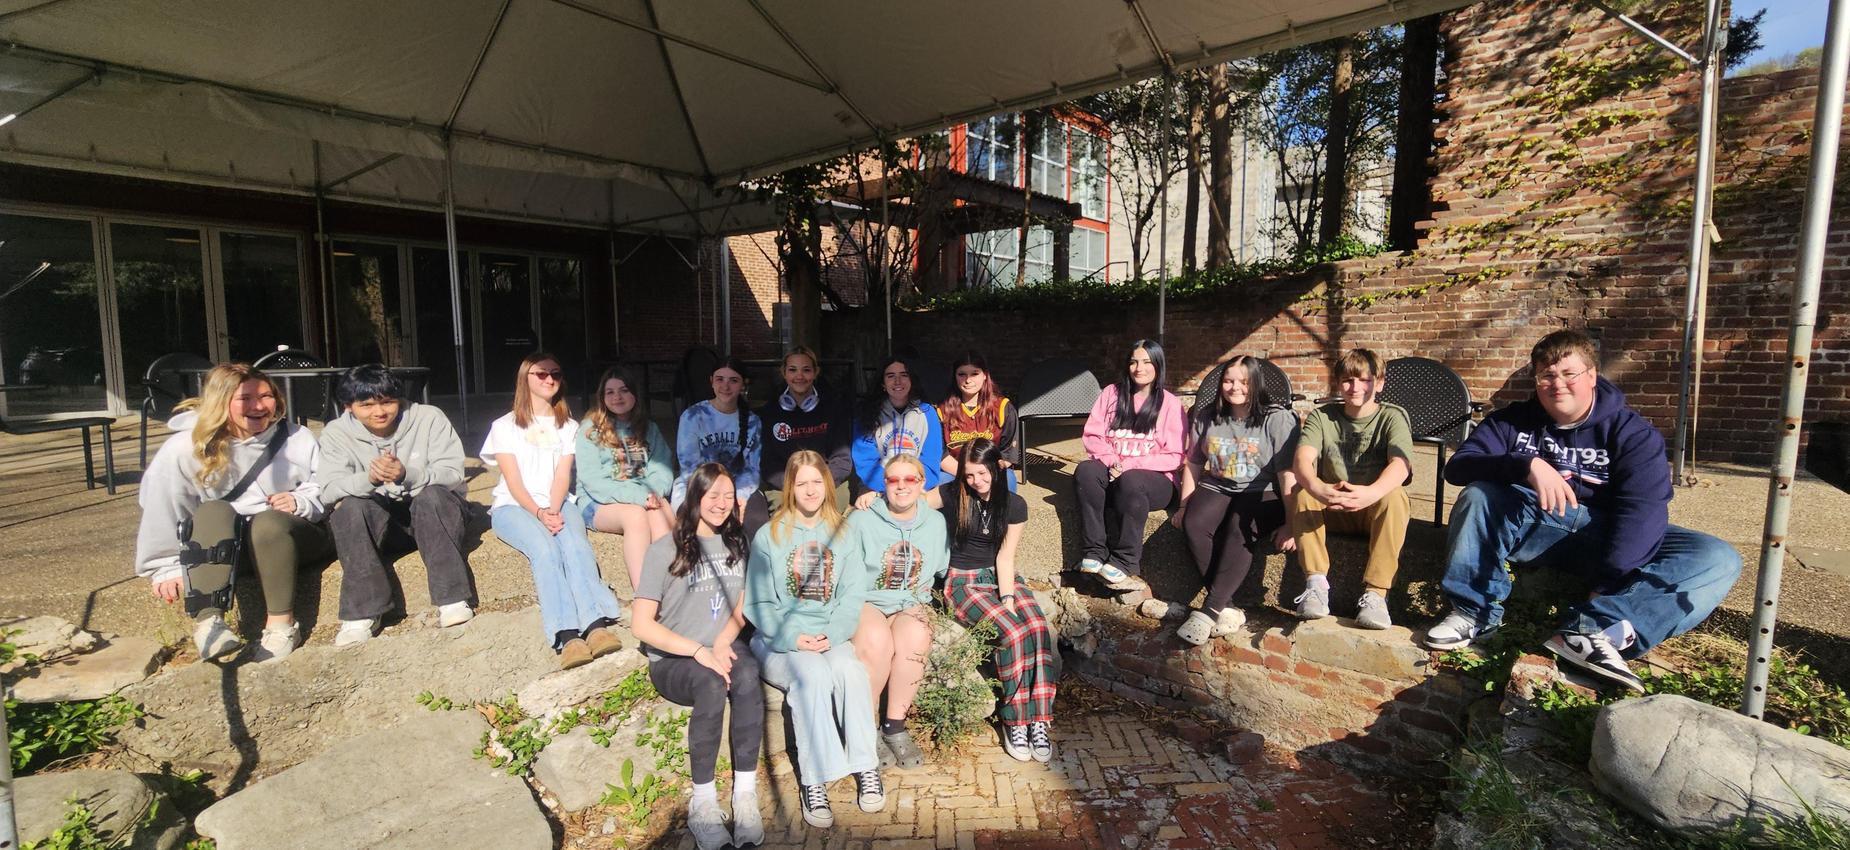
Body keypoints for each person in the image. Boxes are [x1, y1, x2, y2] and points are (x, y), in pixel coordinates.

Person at [1423, 330, 1742, 692]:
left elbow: (1641, 513)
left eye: (1569, 373)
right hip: (1538, 524)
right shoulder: (1511, 422)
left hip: (1605, 532)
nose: (1557, 384)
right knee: (1480, 495)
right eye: (1546, 375)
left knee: (1717, 557)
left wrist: (1606, 584)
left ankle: (1591, 632)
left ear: (1591, 376)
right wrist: (1525, 465)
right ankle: (1473, 612)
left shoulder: (1633, 434)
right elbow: (1459, 468)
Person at [135, 362, 328, 663]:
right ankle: (210, 623)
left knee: (268, 523)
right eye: (245, 398)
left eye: (266, 396)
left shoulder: (297, 437)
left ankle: (281, 626)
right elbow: (164, 505)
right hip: (228, 549)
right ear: (221, 402)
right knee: (213, 510)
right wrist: (165, 566)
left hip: (286, 538)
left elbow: (325, 485)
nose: (259, 406)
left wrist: (300, 501)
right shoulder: (184, 448)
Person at [744, 450, 883, 829]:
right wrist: (794, 637)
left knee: (850, 672)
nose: (810, 490)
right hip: (777, 638)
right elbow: (758, 603)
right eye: (802, 483)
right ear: (790, 487)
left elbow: (853, 595)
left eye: (816, 482)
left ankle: (865, 764)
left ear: (828, 484)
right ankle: (814, 778)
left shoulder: (844, 532)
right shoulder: (769, 535)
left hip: (829, 634)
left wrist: (833, 633)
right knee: (811, 676)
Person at [631, 463, 763, 850]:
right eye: (712, 495)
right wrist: (697, 650)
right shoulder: (665, 549)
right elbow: (641, 625)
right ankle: (703, 803)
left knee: (747, 675)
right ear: (695, 497)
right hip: (675, 656)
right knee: (710, 683)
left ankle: (745, 795)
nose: (721, 503)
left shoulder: (738, 543)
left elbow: (742, 605)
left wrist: (722, 642)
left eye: (728, 495)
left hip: (721, 644)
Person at [483, 352, 624, 670]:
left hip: (559, 502)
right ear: (525, 379)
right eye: (541, 374)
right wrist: (538, 512)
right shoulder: (504, 426)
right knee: (545, 550)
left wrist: (553, 507)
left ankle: (595, 625)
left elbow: (562, 475)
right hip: (514, 506)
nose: (550, 379)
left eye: (556, 374)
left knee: (575, 545)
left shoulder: (569, 426)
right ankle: (567, 635)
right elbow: (513, 480)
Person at [316, 364, 474, 647]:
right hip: (380, 521)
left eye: (387, 402)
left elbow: (452, 473)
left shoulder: (428, 418)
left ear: (399, 400)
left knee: (433, 496)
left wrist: (408, 474)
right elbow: (328, 490)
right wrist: (369, 479)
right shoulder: (336, 432)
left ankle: (451, 599)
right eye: (366, 405)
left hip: (435, 517)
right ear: (349, 406)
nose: (379, 412)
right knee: (350, 509)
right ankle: (363, 612)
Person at [939, 438, 1058, 762]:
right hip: (963, 581)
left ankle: (1039, 719)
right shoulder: (952, 494)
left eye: (982, 473)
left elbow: (1005, 557)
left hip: (999, 576)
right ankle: (1015, 720)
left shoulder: (1015, 504)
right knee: (1014, 633)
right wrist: (872, 495)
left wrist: (1007, 598)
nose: (976, 481)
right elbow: (912, 501)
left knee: (1037, 628)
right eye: (969, 474)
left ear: (995, 467)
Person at [1170, 356, 1300, 645]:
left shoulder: (1277, 419)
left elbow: (1287, 474)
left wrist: (1292, 524)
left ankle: (1209, 611)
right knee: (1194, 524)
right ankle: (1228, 607)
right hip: (1219, 485)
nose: (1235, 387)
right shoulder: (1207, 416)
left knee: (1237, 528)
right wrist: (1184, 505)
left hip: (1263, 490)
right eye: (1228, 381)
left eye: (1243, 381)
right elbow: (1194, 463)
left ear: (1256, 383)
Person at [1289, 348, 1413, 630]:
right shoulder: (1323, 416)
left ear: (1379, 383)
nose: (1355, 387)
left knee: (1396, 497)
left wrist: (1371, 493)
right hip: (1332, 505)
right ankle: (1316, 585)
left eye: (1365, 380)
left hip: (1371, 510)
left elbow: (1401, 464)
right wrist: (1318, 487)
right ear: (1338, 383)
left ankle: (1376, 594)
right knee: (1304, 492)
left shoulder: (1392, 416)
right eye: (1347, 380)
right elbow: (1302, 460)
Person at [846, 453, 949, 769]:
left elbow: (940, 568)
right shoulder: (862, 519)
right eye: (893, 479)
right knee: (876, 640)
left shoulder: (935, 522)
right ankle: (865, 728)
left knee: (917, 635)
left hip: (910, 601)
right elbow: (845, 572)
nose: (901, 486)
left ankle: (894, 726)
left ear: (922, 483)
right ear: (883, 484)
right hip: (868, 600)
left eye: (909, 479)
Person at [1074, 339, 1186, 591]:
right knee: (1086, 471)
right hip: (1115, 472)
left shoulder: (1170, 403)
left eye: (1147, 362)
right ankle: (1094, 550)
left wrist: (1130, 464)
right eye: (1134, 362)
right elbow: (1093, 436)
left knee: (1132, 479)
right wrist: (1112, 460)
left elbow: (1176, 455)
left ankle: (1126, 559)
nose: (1139, 368)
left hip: (1156, 482)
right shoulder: (1111, 394)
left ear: (1158, 365)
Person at [577, 365, 674, 590]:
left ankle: (670, 588)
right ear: (602, 397)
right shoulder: (590, 430)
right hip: (599, 502)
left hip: (644, 497)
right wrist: (640, 496)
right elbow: (593, 481)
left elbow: (662, 469)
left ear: (634, 394)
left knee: (662, 510)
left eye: (623, 390)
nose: (617, 397)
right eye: (610, 392)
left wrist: (654, 493)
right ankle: (644, 594)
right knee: (635, 516)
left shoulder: (649, 428)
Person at [675, 358, 767, 539]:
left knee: (755, 520)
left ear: (743, 384)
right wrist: (714, 495)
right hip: (696, 485)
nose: (726, 386)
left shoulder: (753, 421)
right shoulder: (692, 416)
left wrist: (736, 497)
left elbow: (752, 468)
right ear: (711, 381)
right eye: (720, 379)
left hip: (739, 488)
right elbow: (689, 466)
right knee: (694, 525)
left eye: (733, 380)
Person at [759, 346, 853, 508]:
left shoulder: (834, 408)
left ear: (816, 372)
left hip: (826, 482)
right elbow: (769, 464)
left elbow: (842, 459)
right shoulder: (770, 412)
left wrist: (818, 485)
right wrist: (796, 487)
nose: (799, 376)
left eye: (806, 370)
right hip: (787, 486)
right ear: (784, 373)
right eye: (793, 370)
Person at [851, 357, 946, 510]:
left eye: (904, 375)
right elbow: (866, 462)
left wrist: (911, 487)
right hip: (877, 485)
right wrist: (892, 487)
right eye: (890, 376)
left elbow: (931, 460)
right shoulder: (866, 413)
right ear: (882, 383)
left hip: (918, 484)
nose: (897, 381)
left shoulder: (928, 413)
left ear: (911, 380)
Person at [936, 351, 1022, 493]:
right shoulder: (941, 411)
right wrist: (968, 474)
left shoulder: (1003, 408)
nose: (968, 380)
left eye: (974, 374)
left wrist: (982, 475)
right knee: (939, 481)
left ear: (985, 375)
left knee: (1008, 480)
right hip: (955, 471)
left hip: (991, 471)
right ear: (954, 377)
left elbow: (1007, 455)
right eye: (962, 374)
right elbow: (941, 455)